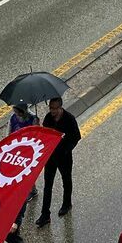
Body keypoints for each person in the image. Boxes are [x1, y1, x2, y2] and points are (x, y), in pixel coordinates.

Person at [37, 96, 81, 225]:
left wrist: (66, 149)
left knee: (66, 180)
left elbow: (76, 137)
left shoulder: (69, 119)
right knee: (47, 185)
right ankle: (45, 214)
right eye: (51, 108)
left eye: (55, 108)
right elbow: (45, 135)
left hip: (64, 157)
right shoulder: (48, 118)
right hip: (50, 157)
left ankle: (67, 203)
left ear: (61, 107)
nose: (53, 111)